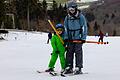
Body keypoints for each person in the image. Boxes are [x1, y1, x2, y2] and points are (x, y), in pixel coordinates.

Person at [63, 1, 88, 74]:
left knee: (78, 53)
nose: (71, 11)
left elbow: (84, 27)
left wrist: (83, 38)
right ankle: (69, 67)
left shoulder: (81, 17)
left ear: (76, 8)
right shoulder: (67, 17)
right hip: (70, 39)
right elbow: (65, 28)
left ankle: (78, 67)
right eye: (70, 9)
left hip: (78, 38)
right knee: (69, 53)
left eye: (72, 9)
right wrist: (66, 37)